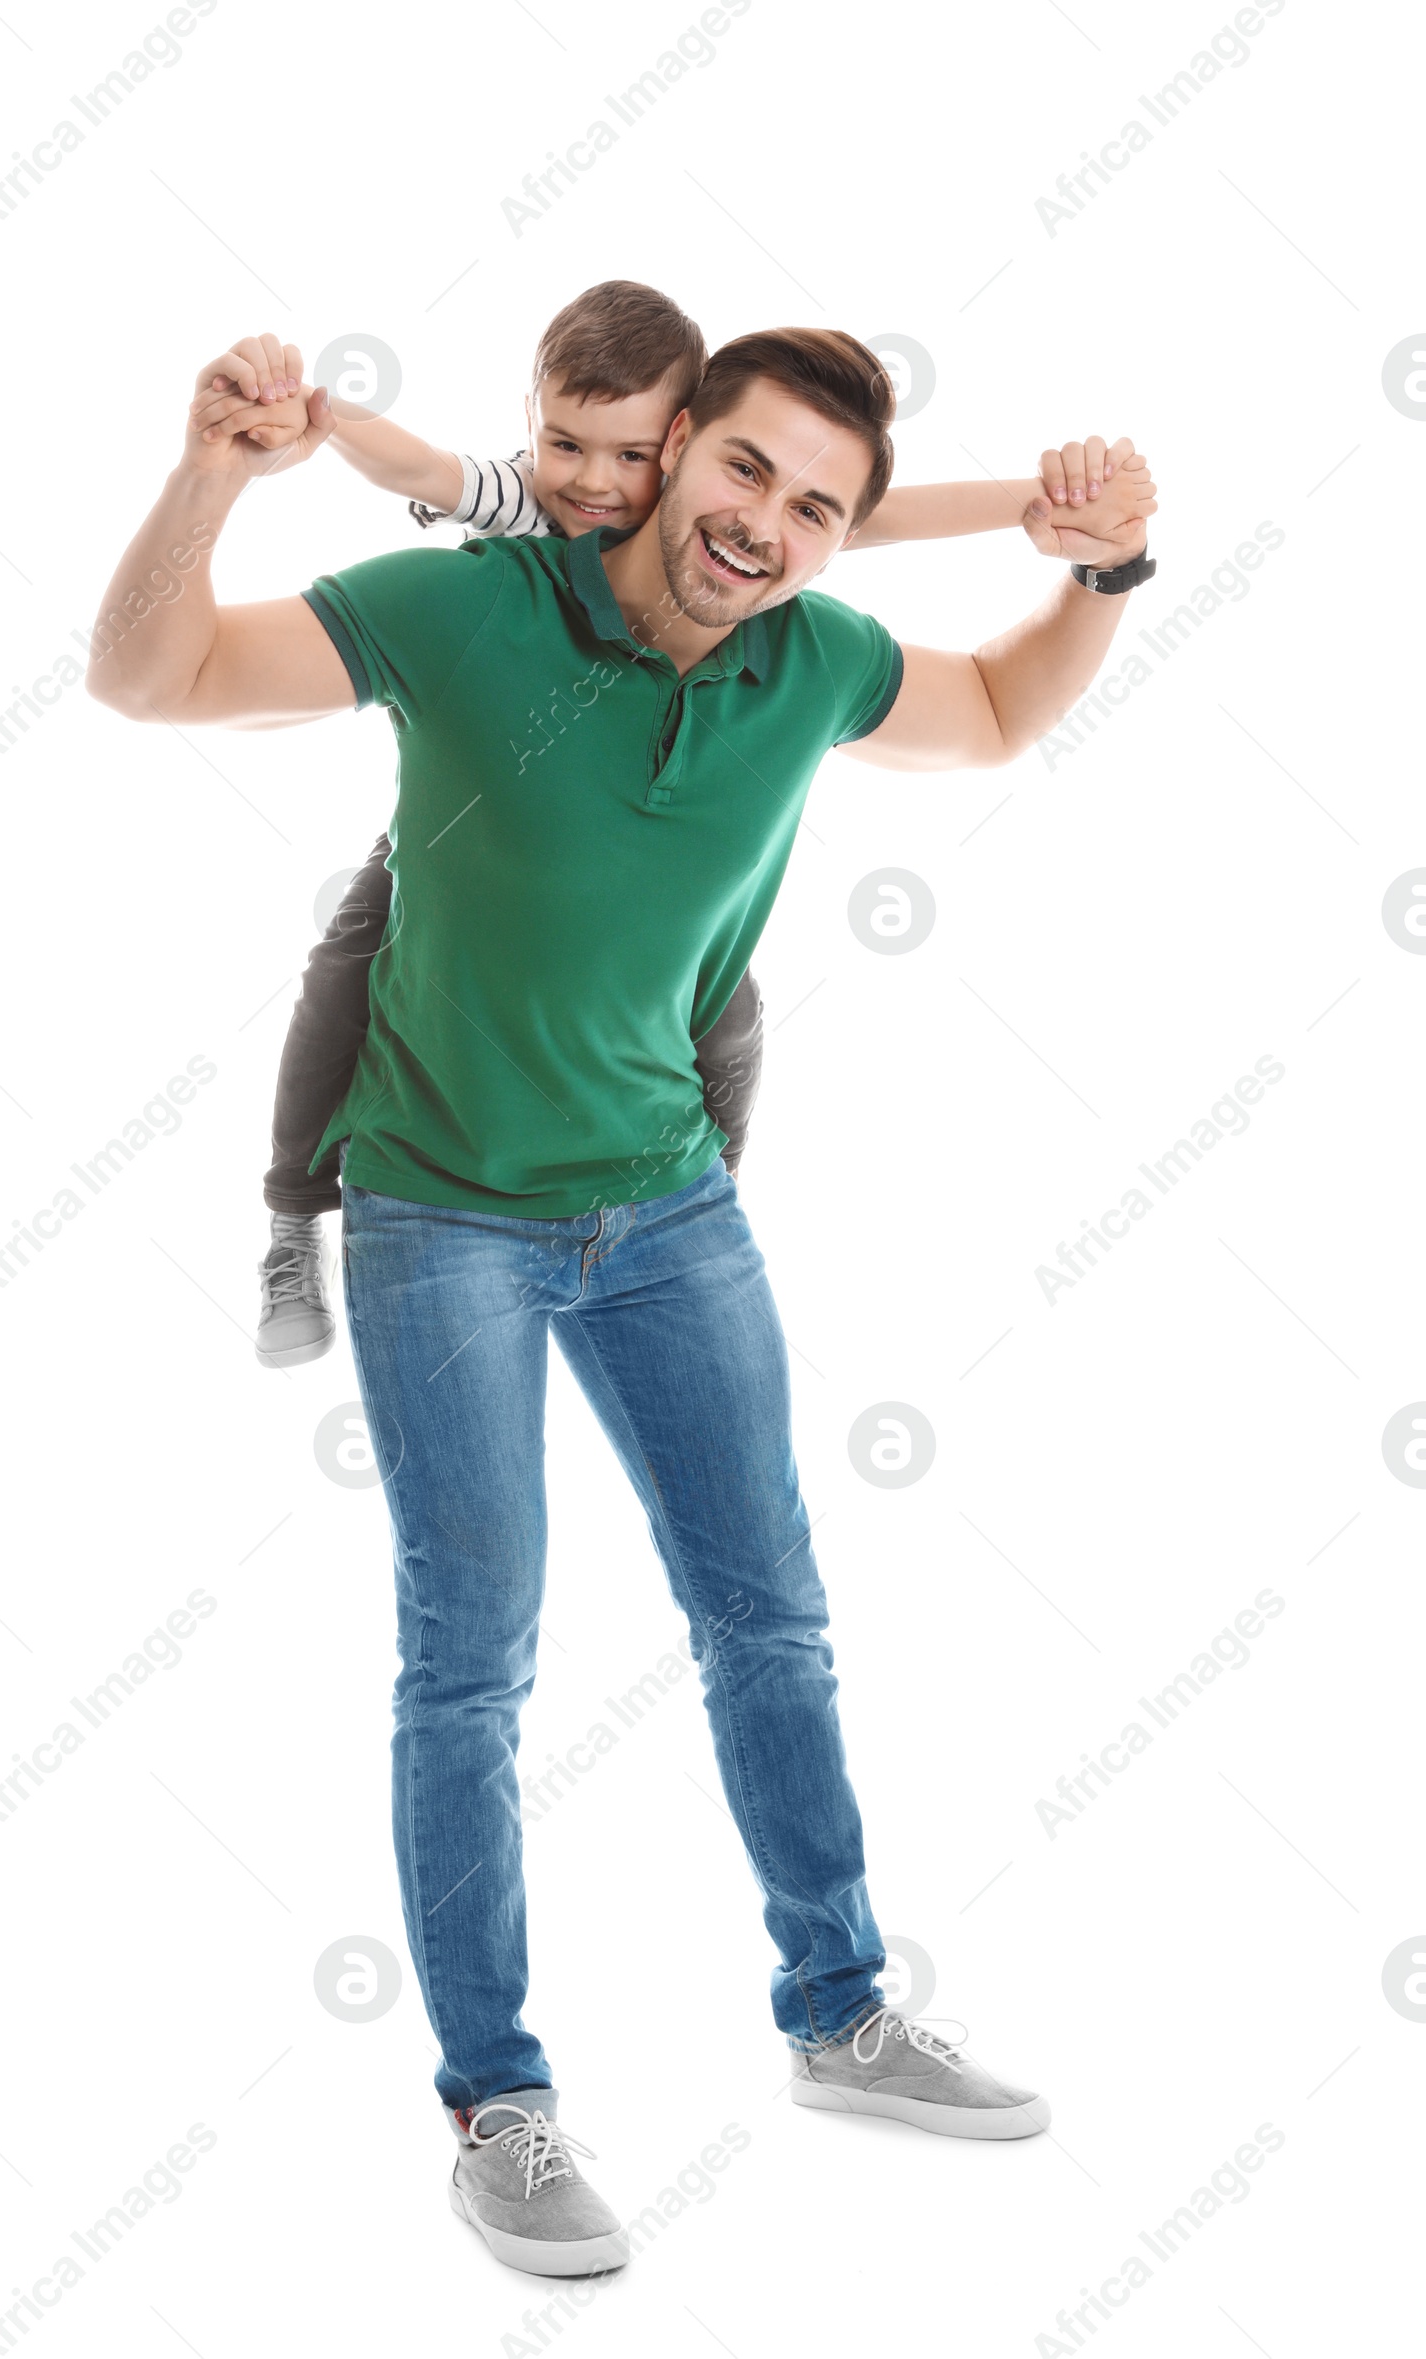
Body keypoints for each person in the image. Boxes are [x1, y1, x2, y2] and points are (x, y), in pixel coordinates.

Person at [85, 320, 1159, 2279]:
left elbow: (1001, 714)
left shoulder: (814, 659)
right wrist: (214, 478)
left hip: (670, 1211)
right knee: (471, 1668)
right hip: (441, 1225)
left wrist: (1089, 569)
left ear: (840, 537)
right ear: (666, 455)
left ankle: (837, 2013)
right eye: (741, 470)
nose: (765, 523)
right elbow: (145, 675)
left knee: (770, 1612)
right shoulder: (465, 608)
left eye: (816, 504)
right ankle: (498, 2103)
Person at [182, 285, 1154, 1369]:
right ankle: (290, 1211)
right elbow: (417, 470)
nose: (595, 484)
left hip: (653, 896)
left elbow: (876, 514)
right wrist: (319, 417)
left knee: (726, 1013)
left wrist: (1056, 510)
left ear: (677, 439)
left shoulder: (719, 523)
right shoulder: (520, 508)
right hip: (477, 838)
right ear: (537, 425)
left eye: (629, 453)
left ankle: (684, 1210)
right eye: (565, 445)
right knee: (350, 960)